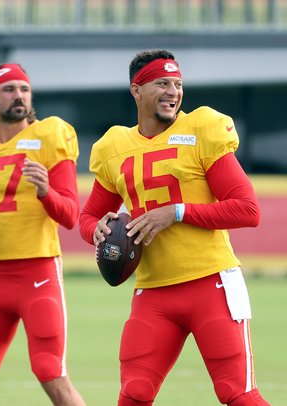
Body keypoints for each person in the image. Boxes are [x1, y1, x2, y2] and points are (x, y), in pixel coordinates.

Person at [79, 49, 269, 405]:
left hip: (211, 281)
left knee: (237, 392)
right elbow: (87, 219)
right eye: (162, 83)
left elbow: (247, 210)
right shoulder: (114, 146)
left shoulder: (201, 129)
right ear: (136, 90)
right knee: (133, 393)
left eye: (178, 84)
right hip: (153, 292)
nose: (173, 91)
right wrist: (98, 231)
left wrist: (177, 212)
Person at [0, 63, 86, 406]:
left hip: (37, 271)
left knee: (51, 372)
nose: (19, 95)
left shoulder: (50, 136)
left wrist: (44, 192)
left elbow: (70, 215)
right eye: (9, 90)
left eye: (24, 89)